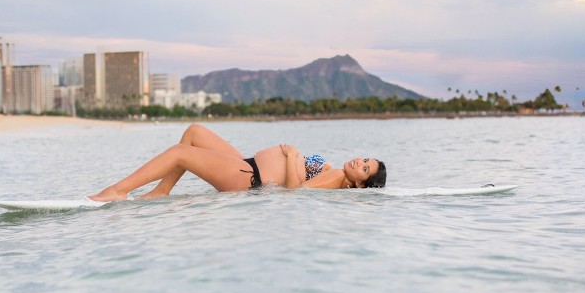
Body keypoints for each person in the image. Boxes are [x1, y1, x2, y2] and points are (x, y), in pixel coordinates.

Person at [87, 123, 387, 202]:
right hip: (247, 163)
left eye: (364, 168)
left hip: (249, 179)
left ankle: (118, 190)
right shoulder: (332, 170)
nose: (359, 162)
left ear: (360, 183)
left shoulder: (337, 178)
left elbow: (298, 194)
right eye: (365, 159)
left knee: (180, 153)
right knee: (194, 133)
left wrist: (294, 157)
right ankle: (161, 191)